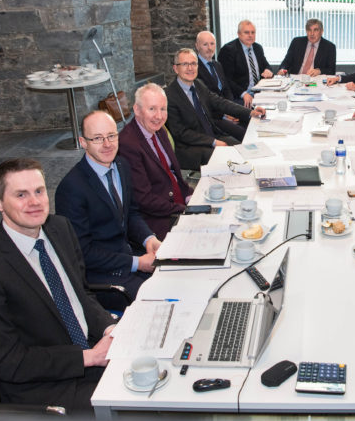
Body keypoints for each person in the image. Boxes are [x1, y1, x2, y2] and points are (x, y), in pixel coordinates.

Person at [0, 158, 116, 413]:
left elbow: (81, 295)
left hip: (92, 350)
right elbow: (7, 362)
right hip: (47, 387)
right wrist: (87, 358)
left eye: (39, 191)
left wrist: (109, 328)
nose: (34, 202)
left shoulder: (60, 228)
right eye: (21, 195)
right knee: (140, 417)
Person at [55, 111, 161, 299]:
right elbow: (83, 252)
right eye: (97, 138)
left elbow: (131, 214)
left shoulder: (121, 166)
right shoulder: (71, 188)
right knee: (161, 297)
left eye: (111, 136)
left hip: (129, 255)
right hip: (104, 277)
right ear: (83, 142)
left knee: (180, 277)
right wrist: (136, 263)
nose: (107, 144)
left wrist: (148, 238)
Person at [165, 48, 267, 170]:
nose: (190, 68)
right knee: (232, 161)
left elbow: (221, 103)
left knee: (246, 151)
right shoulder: (169, 95)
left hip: (213, 135)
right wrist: (213, 142)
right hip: (192, 146)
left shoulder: (199, 84)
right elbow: (181, 133)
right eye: (185, 64)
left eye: (193, 63)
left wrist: (250, 112)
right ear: (176, 68)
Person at [118, 83, 193, 240]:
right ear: (137, 110)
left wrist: (189, 196)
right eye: (152, 109)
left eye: (163, 109)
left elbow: (173, 173)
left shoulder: (159, 130)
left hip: (177, 202)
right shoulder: (128, 144)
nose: (159, 116)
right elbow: (143, 200)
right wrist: (184, 209)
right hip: (158, 218)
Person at [218, 20, 274, 107]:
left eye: (253, 32)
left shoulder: (257, 48)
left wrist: (268, 70)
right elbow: (226, 79)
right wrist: (243, 94)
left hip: (259, 93)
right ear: (239, 34)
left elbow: (266, 65)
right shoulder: (228, 50)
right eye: (247, 32)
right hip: (239, 96)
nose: (250, 35)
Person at [195, 30, 235, 103]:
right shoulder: (194, 67)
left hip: (226, 107)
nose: (209, 48)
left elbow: (226, 89)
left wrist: (231, 108)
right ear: (197, 46)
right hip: (211, 111)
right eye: (205, 44)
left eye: (212, 44)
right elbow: (203, 97)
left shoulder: (217, 65)